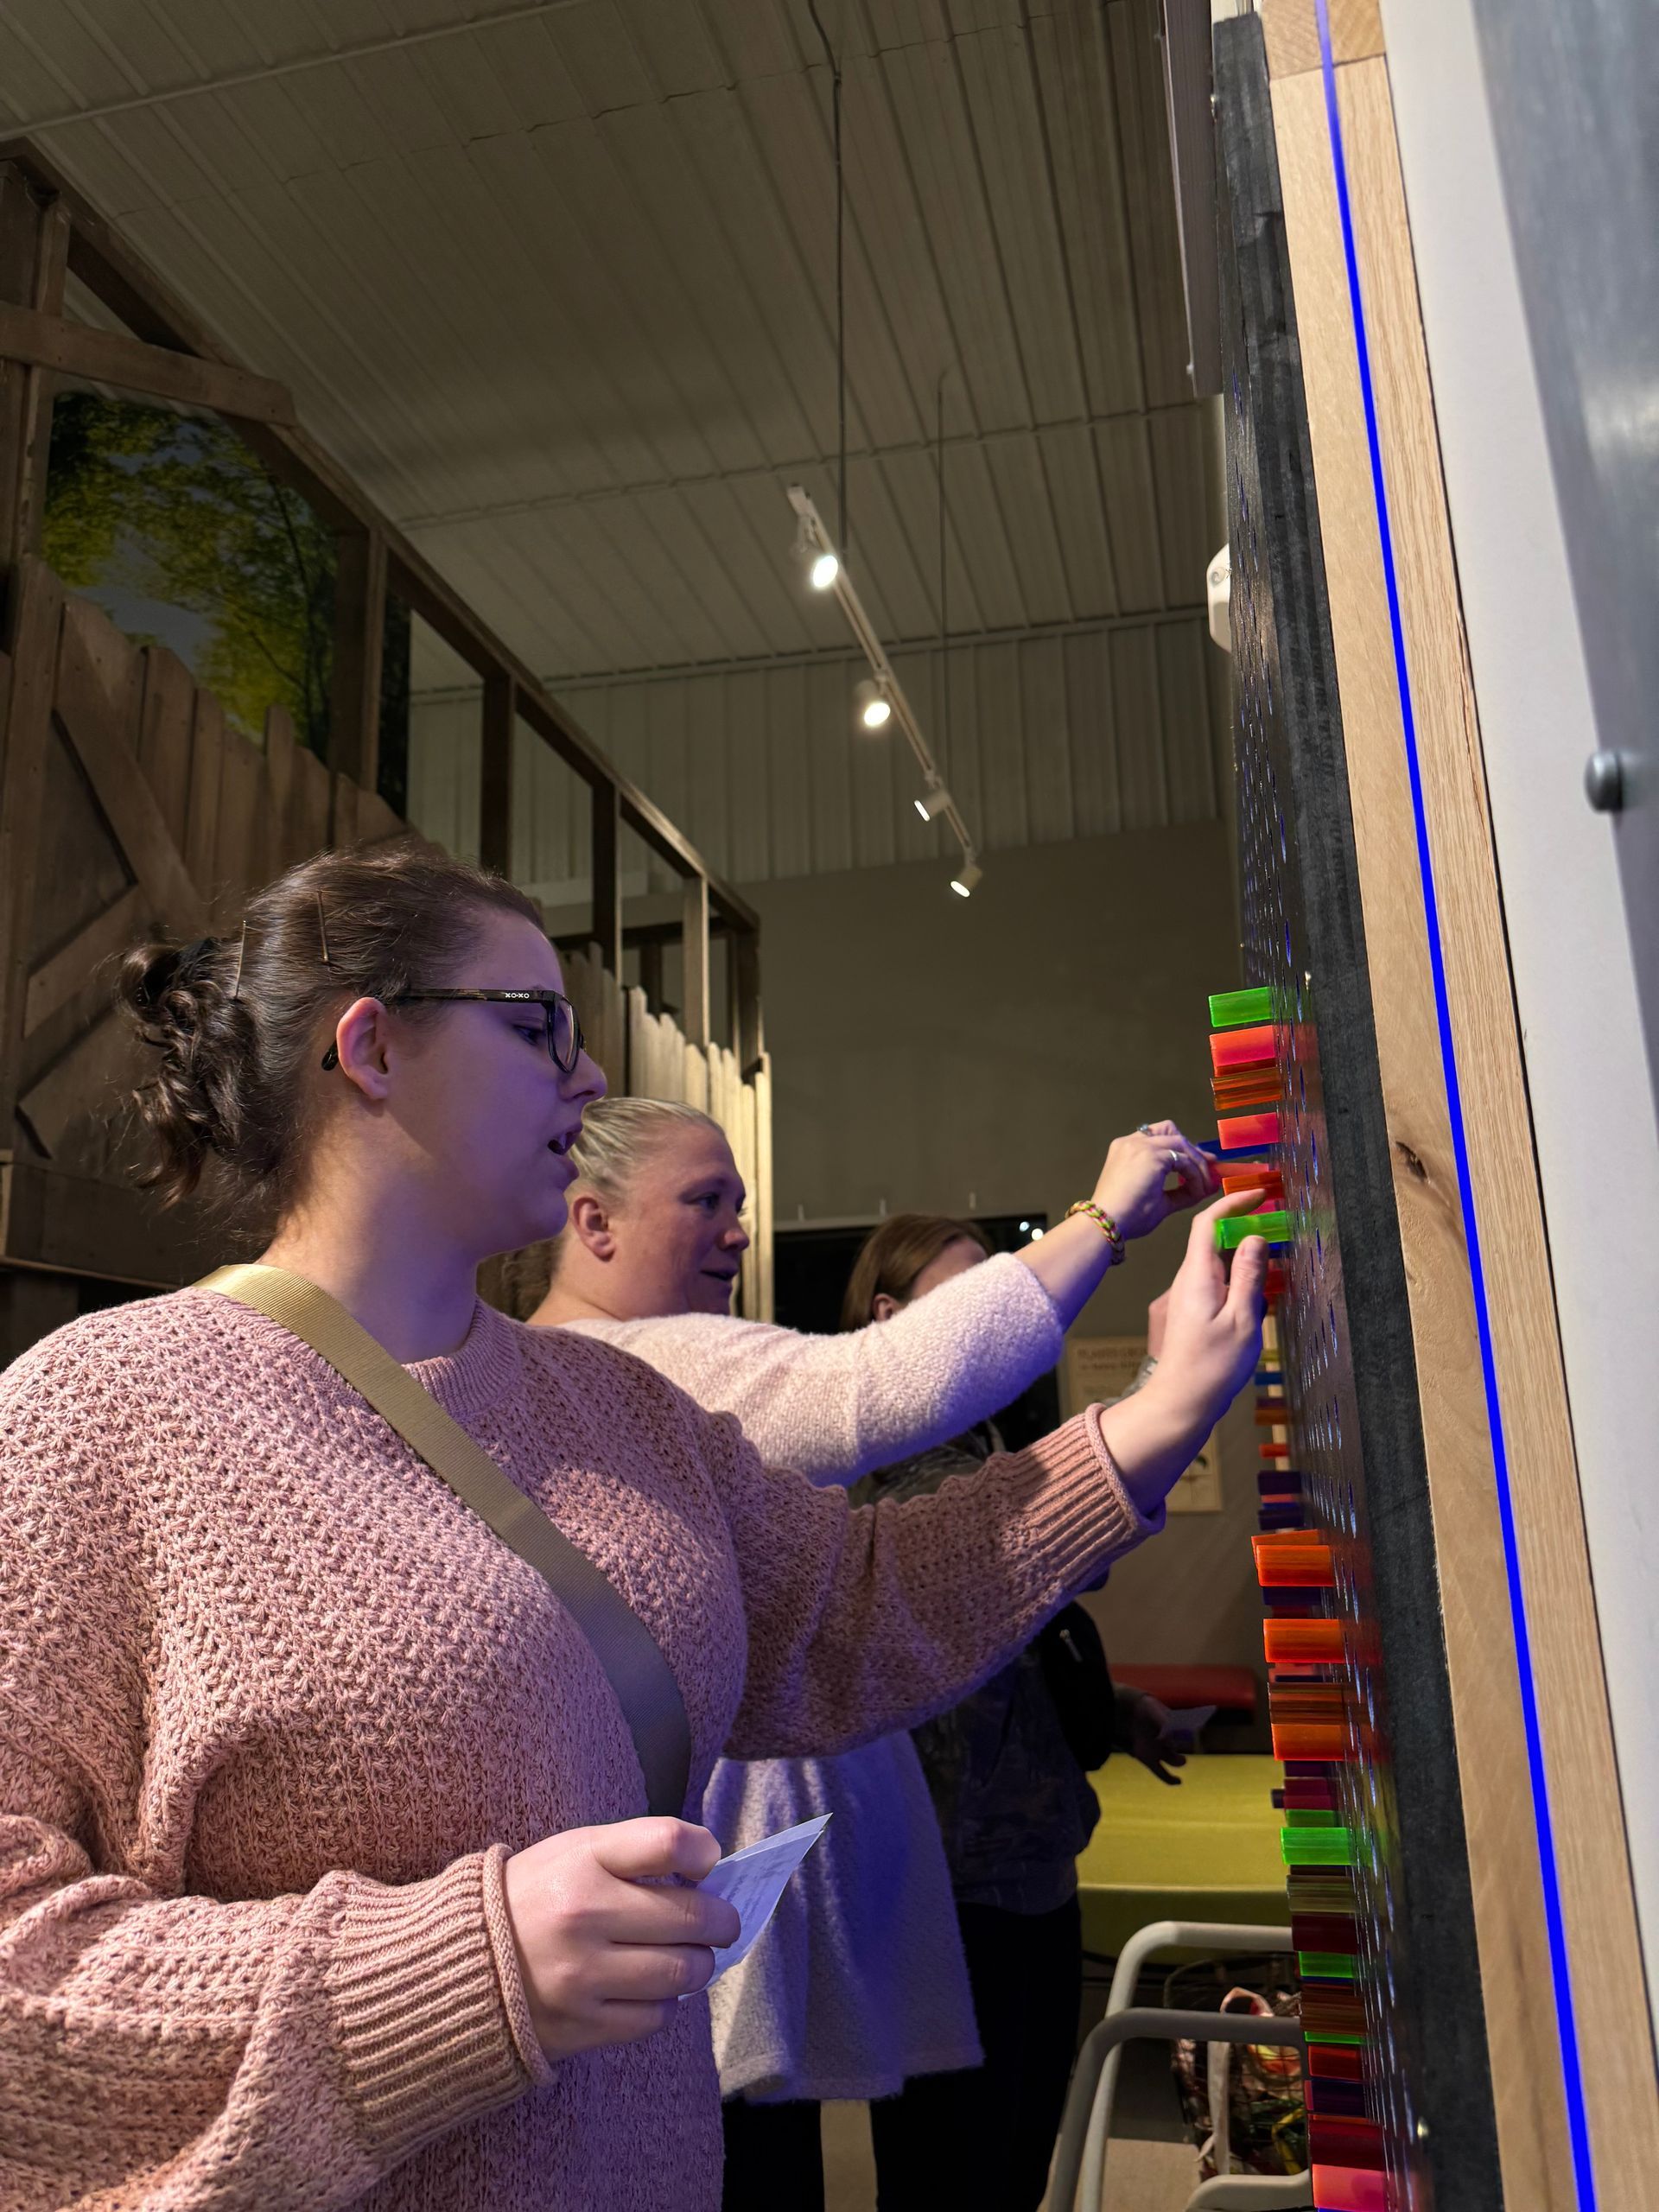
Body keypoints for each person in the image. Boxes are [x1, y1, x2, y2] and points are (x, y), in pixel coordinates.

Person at [0, 842, 1266, 2212]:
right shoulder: (99, 1413)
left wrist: (1153, 1420)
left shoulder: (620, 1406)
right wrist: (463, 1972)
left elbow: (849, 1614)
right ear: (370, 1047)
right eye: (538, 1024)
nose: (588, 1077)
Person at [528, 1099, 1217, 2209]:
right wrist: (1105, 1222)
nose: (740, 1233)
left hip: (739, 1895)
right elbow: (869, 1389)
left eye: (741, 1205)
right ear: (592, 1221)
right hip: (697, 1904)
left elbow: (852, 1588)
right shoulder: (621, 1366)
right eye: (706, 1201)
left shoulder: (632, 1375)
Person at [844, 1216, 1191, 2211]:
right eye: (968, 1297)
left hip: (1034, 1879)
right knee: (956, 2174)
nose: (999, 1319)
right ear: (888, 1316)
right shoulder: (901, 1482)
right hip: (948, 1901)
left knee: (1016, 2159)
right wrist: (1171, 1376)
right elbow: (1055, 1541)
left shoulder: (982, 1449)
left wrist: (1112, 1710)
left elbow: (1010, 1635)